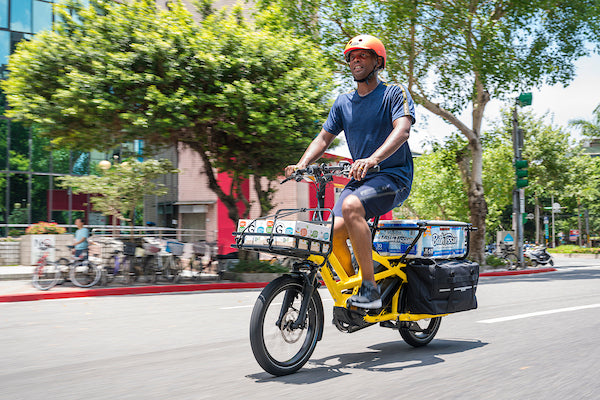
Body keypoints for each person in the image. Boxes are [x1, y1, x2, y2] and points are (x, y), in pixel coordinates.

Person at [285, 34, 416, 309]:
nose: (356, 60)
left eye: (363, 55)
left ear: (378, 62)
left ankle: (370, 289)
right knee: (331, 233)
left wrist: (372, 159)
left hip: (393, 177)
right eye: (351, 57)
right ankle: (355, 286)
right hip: (361, 180)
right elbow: (323, 139)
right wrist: (302, 164)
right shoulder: (343, 102)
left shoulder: (394, 93)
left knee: (352, 206)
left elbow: (402, 131)